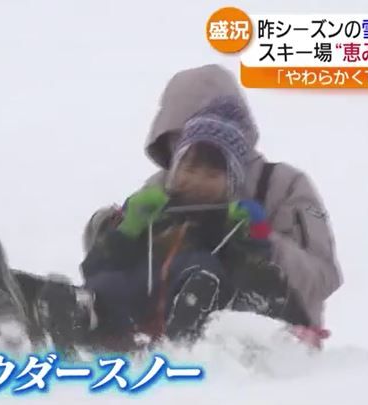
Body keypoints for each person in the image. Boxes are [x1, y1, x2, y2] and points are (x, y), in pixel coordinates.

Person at [0, 96, 311, 354]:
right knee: (101, 286)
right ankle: (20, 306)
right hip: (119, 313)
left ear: (230, 181)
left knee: (201, 270)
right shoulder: (150, 209)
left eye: (211, 171)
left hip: (195, 310)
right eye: (189, 166)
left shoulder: (234, 223)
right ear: (174, 170)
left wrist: (254, 237)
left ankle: (184, 333)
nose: (197, 178)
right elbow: (96, 265)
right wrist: (125, 229)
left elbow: (266, 288)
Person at [83, 64, 343, 347]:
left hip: (267, 334)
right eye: (179, 140)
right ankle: (81, 317)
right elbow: (118, 260)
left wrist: (262, 239)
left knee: (202, 270)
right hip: (158, 322)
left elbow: (323, 277)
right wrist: (115, 227)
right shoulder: (160, 187)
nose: (196, 167)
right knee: (117, 282)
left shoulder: (282, 184)